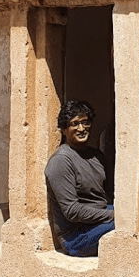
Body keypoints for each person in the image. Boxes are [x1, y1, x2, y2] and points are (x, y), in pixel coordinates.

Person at [45, 100, 114, 256]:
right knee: (126, 224)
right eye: (74, 124)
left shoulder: (97, 156)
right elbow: (72, 211)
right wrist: (112, 215)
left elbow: (109, 193)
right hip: (76, 237)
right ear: (64, 129)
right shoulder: (61, 161)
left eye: (85, 122)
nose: (81, 129)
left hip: (99, 219)